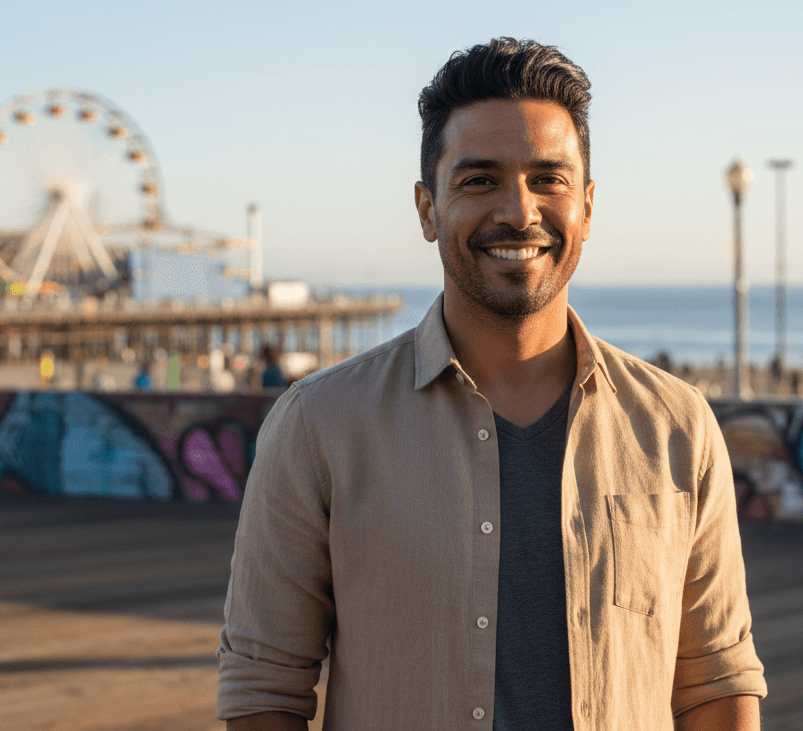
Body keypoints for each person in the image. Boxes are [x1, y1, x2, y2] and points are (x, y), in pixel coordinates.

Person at [217, 38, 765, 731]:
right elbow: (263, 689)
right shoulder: (320, 425)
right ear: (426, 209)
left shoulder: (676, 427)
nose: (519, 211)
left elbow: (716, 684)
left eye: (549, 179)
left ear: (588, 207)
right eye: (480, 181)